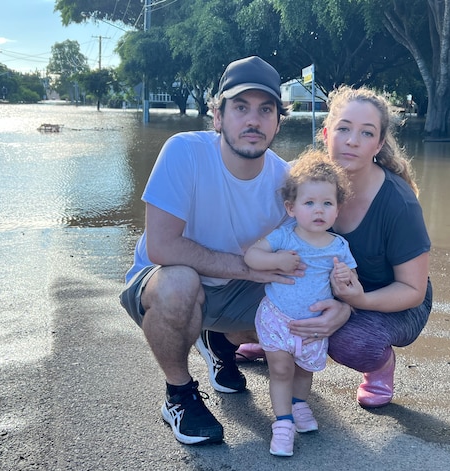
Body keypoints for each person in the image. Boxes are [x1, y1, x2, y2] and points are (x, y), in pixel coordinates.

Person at [119, 56, 351, 446]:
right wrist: (248, 269)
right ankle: (179, 395)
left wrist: (342, 306)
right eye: (240, 107)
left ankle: (219, 342)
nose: (253, 120)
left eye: (265, 110)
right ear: (217, 116)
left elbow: (310, 256)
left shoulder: (285, 183)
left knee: (299, 303)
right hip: (163, 284)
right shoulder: (184, 152)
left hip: (235, 290)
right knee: (180, 282)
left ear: (279, 121)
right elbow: (162, 246)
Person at [286, 85, 433, 408]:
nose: (352, 141)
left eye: (366, 133)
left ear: (379, 144)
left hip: (392, 298)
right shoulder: (302, 180)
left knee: (352, 342)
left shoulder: (399, 204)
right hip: (330, 290)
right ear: (326, 133)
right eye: (343, 129)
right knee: (253, 313)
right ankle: (284, 341)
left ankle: (380, 367)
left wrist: (356, 302)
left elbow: (413, 289)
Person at [244, 151, 357, 456]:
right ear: (291, 208)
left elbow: (353, 286)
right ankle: (282, 424)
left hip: (313, 326)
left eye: (327, 203)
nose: (318, 210)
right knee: (280, 370)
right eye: (309, 203)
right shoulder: (284, 236)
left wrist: (346, 277)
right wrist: (275, 260)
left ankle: (299, 404)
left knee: (305, 371)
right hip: (277, 318)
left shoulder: (339, 246)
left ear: (337, 209)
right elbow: (251, 256)